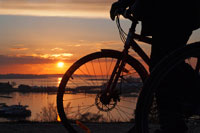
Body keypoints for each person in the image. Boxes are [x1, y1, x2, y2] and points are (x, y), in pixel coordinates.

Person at [110, 0, 200, 132]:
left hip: (175, 12)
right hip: (173, 13)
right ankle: (174, 123)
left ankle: (174, 125)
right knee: (164, 67)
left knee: (163, 69)